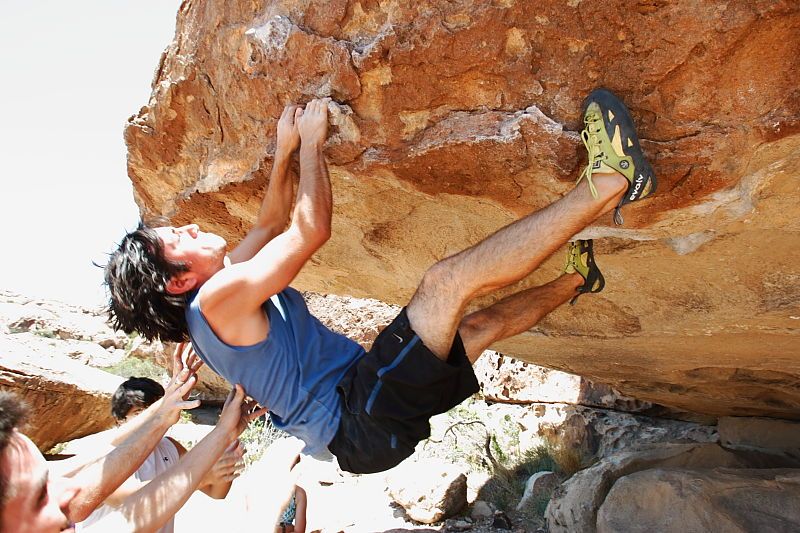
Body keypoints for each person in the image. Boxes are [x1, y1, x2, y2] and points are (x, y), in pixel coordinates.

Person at [104, 89, 657, 474]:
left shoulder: (216, 296)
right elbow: (308, 229)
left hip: (363, 416)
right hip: (358, 418)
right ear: (175, 282)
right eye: (174, 238)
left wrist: (286, 150)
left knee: (477, 326)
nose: (188, 225)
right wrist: (316, 145)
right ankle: (610, 183)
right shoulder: (217, 301)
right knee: (444, 283)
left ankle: (576, 280)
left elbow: (269, 224)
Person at [0, 379, 269, 532]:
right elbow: (138, 507)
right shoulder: (106, 460)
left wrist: (225, 434)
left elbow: (215, 489)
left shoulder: (168, 447)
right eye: (40, 495)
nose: (72, 488)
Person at [75, 371, 245, 532]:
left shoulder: (170, 446)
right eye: (139, 412)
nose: (152, 417)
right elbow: (135, 501)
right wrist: (203, 476)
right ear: (120, 421)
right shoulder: (104, 456)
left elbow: (216, 492)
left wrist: (227, 438)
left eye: (155, 409)